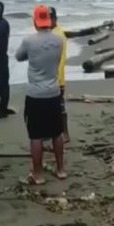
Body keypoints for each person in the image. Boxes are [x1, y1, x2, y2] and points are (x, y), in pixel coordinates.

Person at [16, 5, 65, 184]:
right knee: (57, 133)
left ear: (35, 21)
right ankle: (60, 169)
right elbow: (57, 60)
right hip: (53, 91)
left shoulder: (29, 41)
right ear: (49, 21)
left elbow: (18, 57)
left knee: (35, 136)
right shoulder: (58, 40)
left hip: (36, 94)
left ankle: (38, 174)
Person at [50, 7, 70, 143]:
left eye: (50, 17)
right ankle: (61, 133)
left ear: (55, 18)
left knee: (59, 108)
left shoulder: (57, 34)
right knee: (57, 107)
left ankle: (65, 133)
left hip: (57, 77)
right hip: (55, 77)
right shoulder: (55, 33)